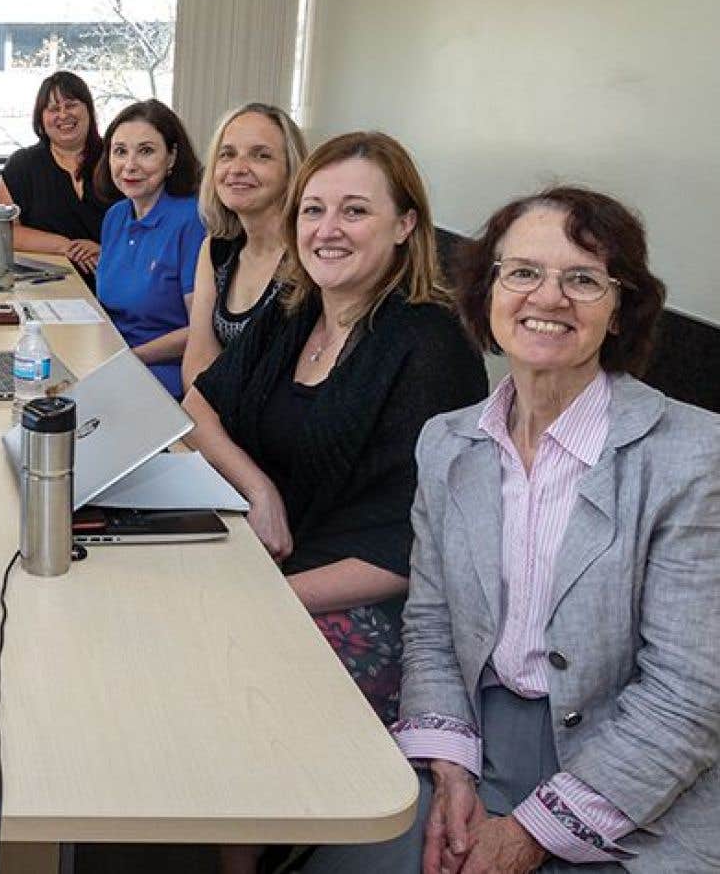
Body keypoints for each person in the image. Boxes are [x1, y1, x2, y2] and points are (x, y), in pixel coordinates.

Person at [305, 187, 718, 874]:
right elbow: (432, 624)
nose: (548, 298)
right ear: (487, 294)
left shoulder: (694, 456)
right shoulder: (447, 444)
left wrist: (527, 834)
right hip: (477, 732)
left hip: (641, 774)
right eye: (522, 272)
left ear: (620, 311)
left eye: (583, 279)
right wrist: (453, 771)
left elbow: (689, 698)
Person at [188, 132, 488, 725]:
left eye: (355, 211)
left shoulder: (430, 345)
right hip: (264, 559)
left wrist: (260, 599)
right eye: (313, 210)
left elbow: (413, 549)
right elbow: (198, 405)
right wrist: (259, 489)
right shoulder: (296, 307)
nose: (328, 230)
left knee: (196, 680)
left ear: (404, 225)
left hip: (366, 606)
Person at [181, 102, 306, 392]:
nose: (238, 168)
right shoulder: (216, 248)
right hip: (216, 417)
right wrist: (204, 425)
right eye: (227, 155)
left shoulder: (309, 255)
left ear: (291, 171)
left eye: (261, 156)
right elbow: (198, 357)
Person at [93, 99, 207, 397]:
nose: (130, 165)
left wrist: (133, 358)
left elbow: (202, 330)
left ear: (171, 157)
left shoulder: (191, 221)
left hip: (163, 371)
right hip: (114, 360)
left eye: (146, 151)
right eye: (120, 152)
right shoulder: (115, 216)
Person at [0, 70, 116, 280]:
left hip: (114, 276)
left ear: (89, 110)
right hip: (46, 281)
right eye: (53, 109)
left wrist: (106, 251)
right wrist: (66, 246)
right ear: (41, 118)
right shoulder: (22, 165)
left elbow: (146, 229)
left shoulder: (118, 158)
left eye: (71, 105)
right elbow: (2, 231)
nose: (63, 115)